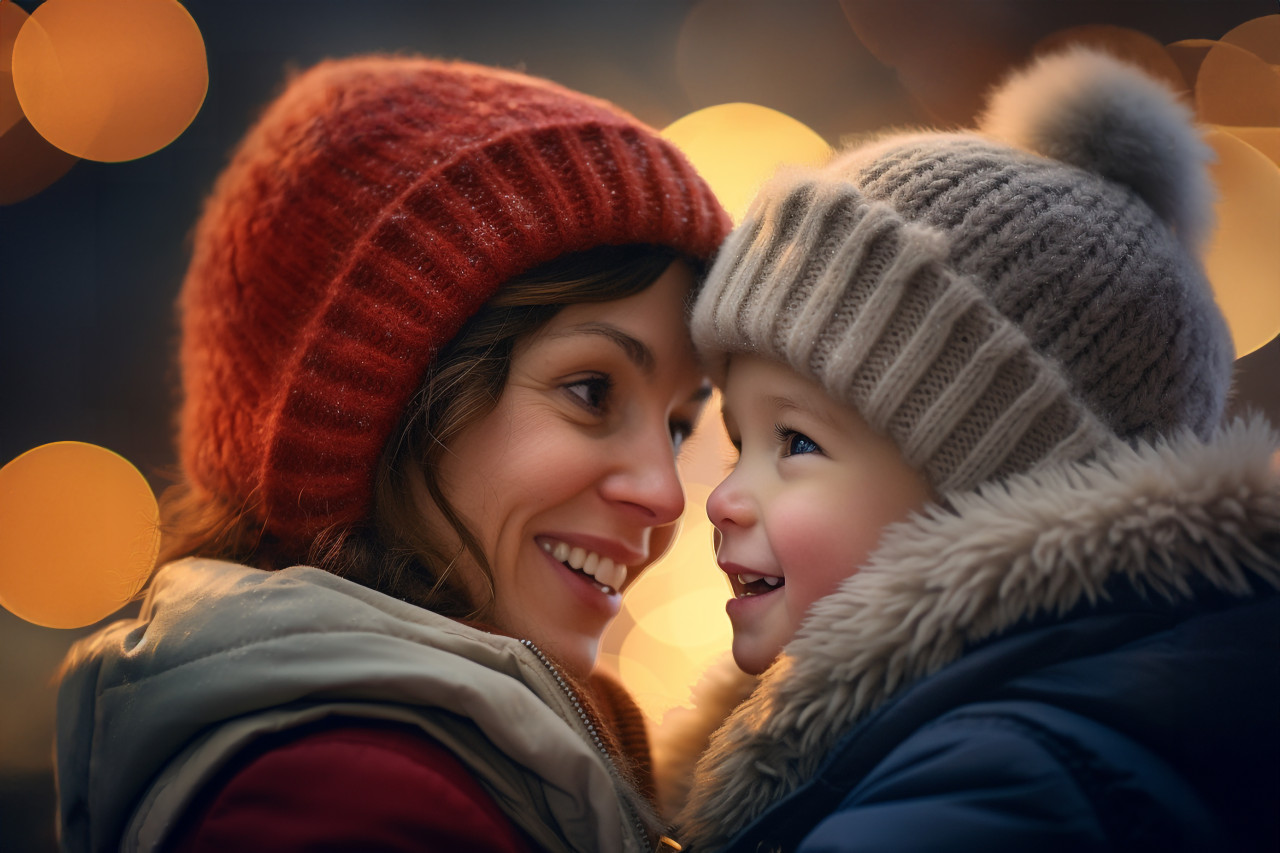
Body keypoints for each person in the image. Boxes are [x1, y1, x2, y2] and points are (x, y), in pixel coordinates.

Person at [54, 55, 729, 853]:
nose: (665, 494)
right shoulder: (352, 803)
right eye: (591, 390)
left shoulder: (451, 754)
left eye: (680, 425)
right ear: (386, 392)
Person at [674, 48, 1280, 851]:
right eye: (735, 442)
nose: (722, 500)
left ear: (994, 483)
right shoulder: (920, 742)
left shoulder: (1005, 777)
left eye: (795, 442)